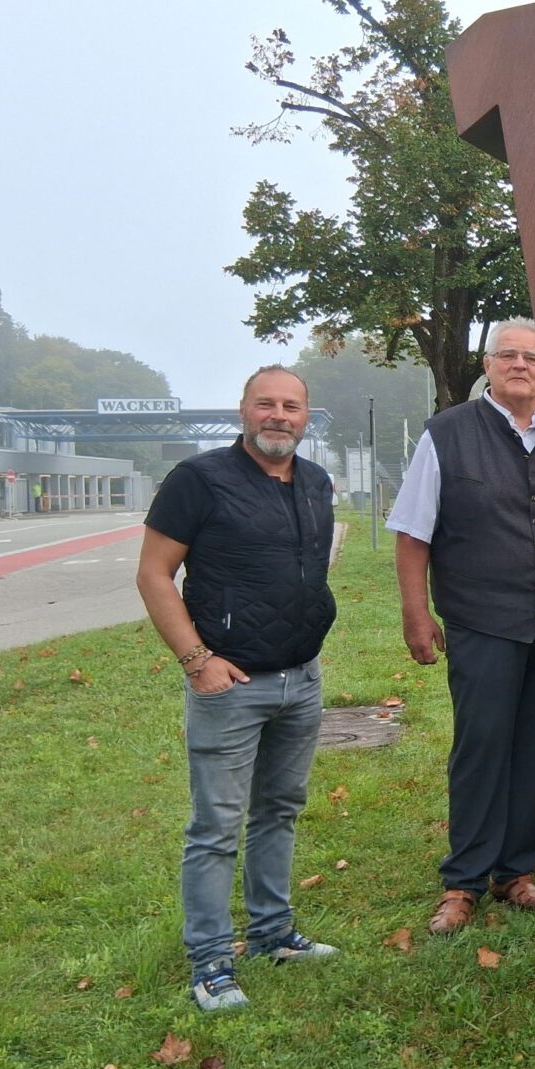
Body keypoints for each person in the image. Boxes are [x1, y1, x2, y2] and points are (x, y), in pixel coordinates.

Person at [387, 317, 535, 934]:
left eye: (532, 358)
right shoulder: (446, 435)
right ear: (489, 366)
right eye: (507, 355)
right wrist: (418, 613)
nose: (520, 365)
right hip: (483, 620)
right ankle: (463, 880)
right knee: (482, 746)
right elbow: (413, 533)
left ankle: (514, 870)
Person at [137, 366, 340, 1012]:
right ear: (243, 411)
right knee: (216, 826)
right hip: (230, 685)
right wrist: (198, 659)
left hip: (300, 679)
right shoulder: (197, 481)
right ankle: (211, 961)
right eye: (266, 404)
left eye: (291, 406)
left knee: (279, 810)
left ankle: (274, 933)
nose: (278, 415)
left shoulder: (315, 482)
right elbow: (153, 574)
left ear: (306, 417)